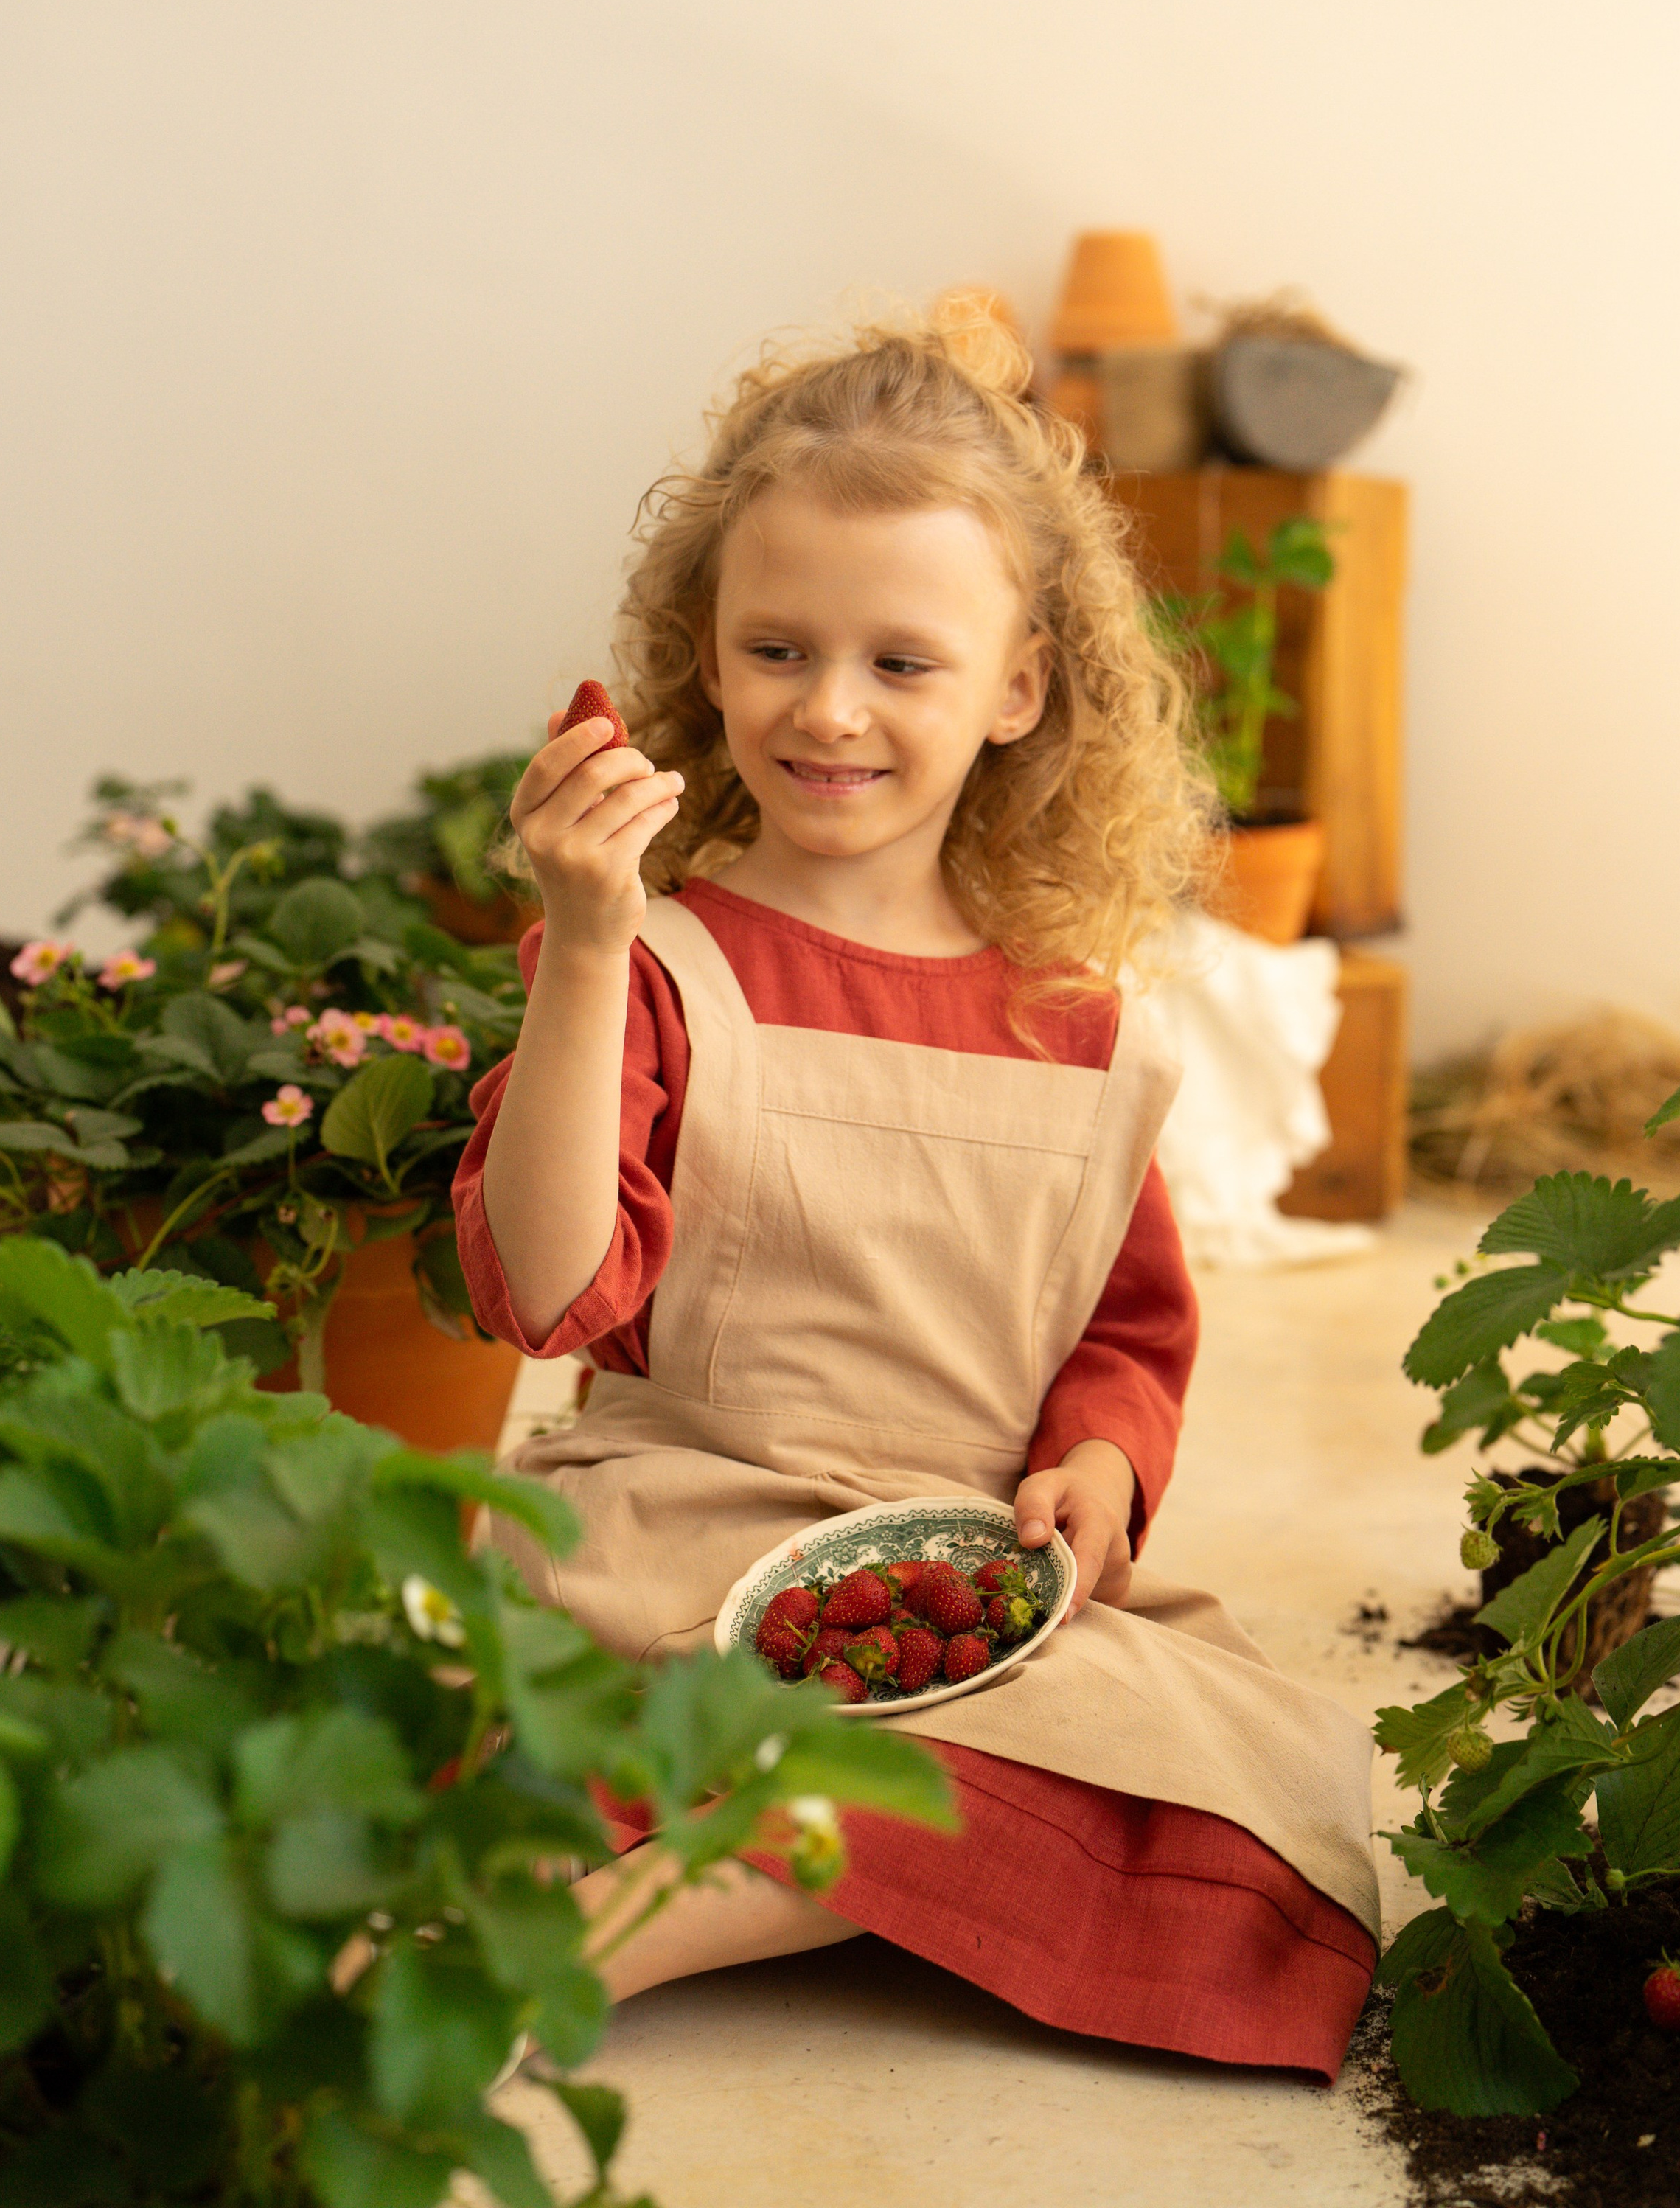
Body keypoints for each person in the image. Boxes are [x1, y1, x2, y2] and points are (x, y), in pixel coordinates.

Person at [454, 307, 1379, 2075]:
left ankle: (628, 1905)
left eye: (901, 662)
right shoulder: (664, 965)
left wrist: (1096, 1470)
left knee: (1260, 1789)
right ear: (704, 658)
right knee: (546, 1710)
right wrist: (582, 947)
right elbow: (542, 1287)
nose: (827, 708)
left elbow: (1123, 1331)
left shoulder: (1077, 1024)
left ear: (1018, 686)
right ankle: (634, 1916)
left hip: (955, 1593)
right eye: (777, 648)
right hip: (678, 1528)